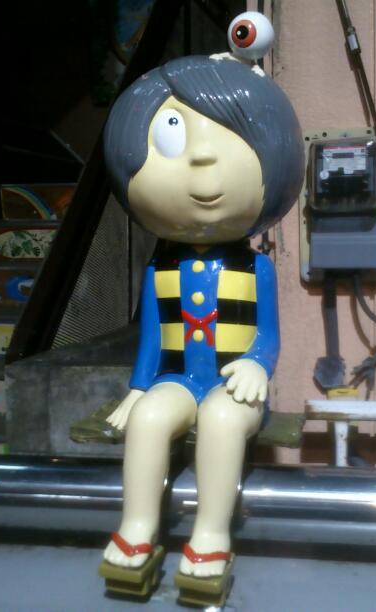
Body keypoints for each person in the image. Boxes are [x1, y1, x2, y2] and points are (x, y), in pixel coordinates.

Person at [102, 25, 304, 581]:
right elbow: (152, 338)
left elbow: (267, 332)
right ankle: (137, 527)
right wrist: (138, 387)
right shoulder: (160, 270)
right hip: (177, 380)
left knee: (220, 419)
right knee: (148, 419)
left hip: (230, 387)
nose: (203, 160)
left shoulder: (255, 268)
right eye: (174, 134)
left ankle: (211, 534)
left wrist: (258, 365)